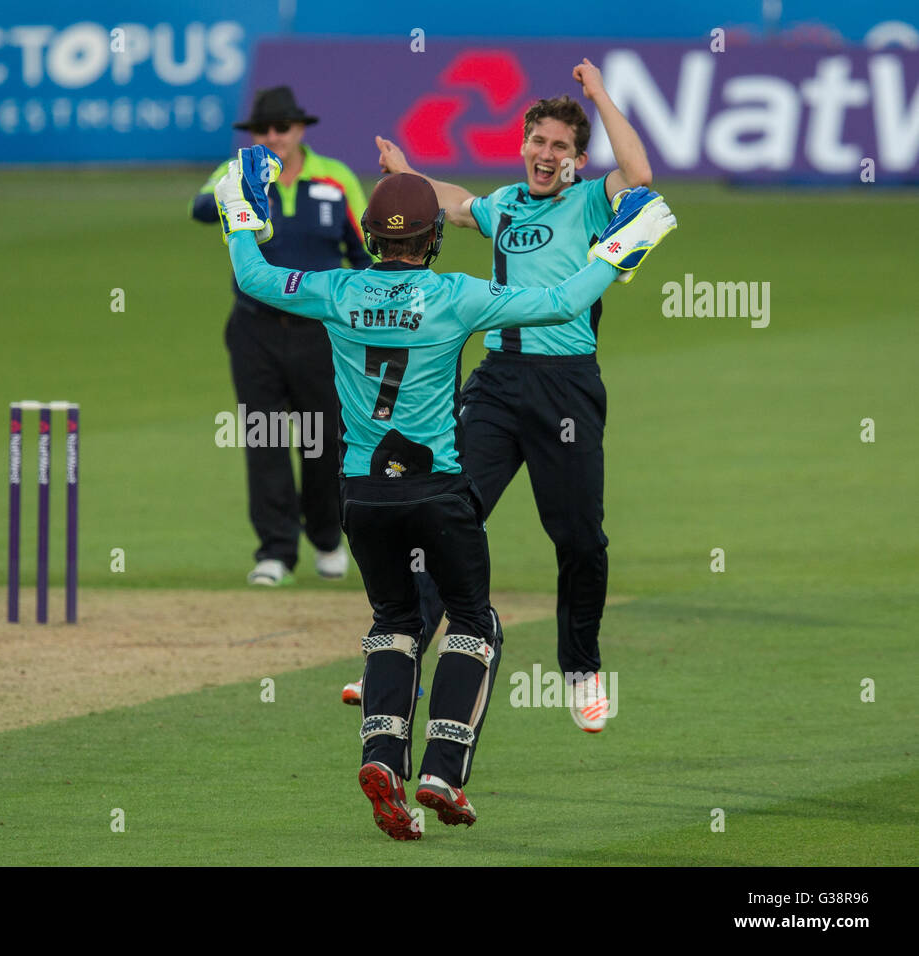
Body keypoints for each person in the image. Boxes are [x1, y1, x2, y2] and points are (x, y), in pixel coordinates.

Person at [212, 146, 675, 839]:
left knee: (394, 623)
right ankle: (442, 773)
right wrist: (623, 244)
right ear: (431, 240)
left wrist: (238, 205)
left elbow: (252, 274)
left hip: (363, 496)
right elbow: (560, 302)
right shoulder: (455, 295)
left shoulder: (335, 290)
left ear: (370, 237)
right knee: (473, 623)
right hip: (438, 493)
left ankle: (382, 760)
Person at [348, 59, 654, 732]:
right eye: (538, 143)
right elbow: (455, 204)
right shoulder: (507, 206)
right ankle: (399, 651)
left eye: (560, 149)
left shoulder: (590, 202)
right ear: (523, 147)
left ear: (576, 162)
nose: (546, 156)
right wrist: (408, 175)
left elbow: (641, 175)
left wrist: (599, 93)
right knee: (441, 515)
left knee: (579, 539)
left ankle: (580, 669)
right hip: (497, 383)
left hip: (567, 388)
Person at [191, 86, 372, 587]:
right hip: (256, 328)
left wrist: (365, 303)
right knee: (265, 438)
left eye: (282, 128)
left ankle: (327, 538)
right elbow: (201, 208)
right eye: (264, 129)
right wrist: (244, 187)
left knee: (323, 441)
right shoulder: (239, 171)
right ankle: (275, 551)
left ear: (300, 130)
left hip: (320, 332)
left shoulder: (334, 178)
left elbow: (361, 248)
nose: (274, 137)